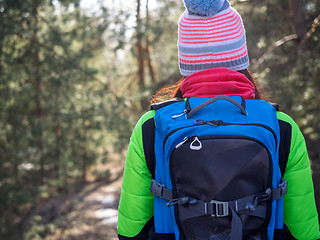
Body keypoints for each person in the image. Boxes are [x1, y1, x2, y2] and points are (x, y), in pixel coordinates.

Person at [117, 0, 320, 239]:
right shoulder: (282, 126)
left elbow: (131, 231)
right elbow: (303, 232)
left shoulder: (151, 126)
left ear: (186, 63)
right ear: (241, 59)